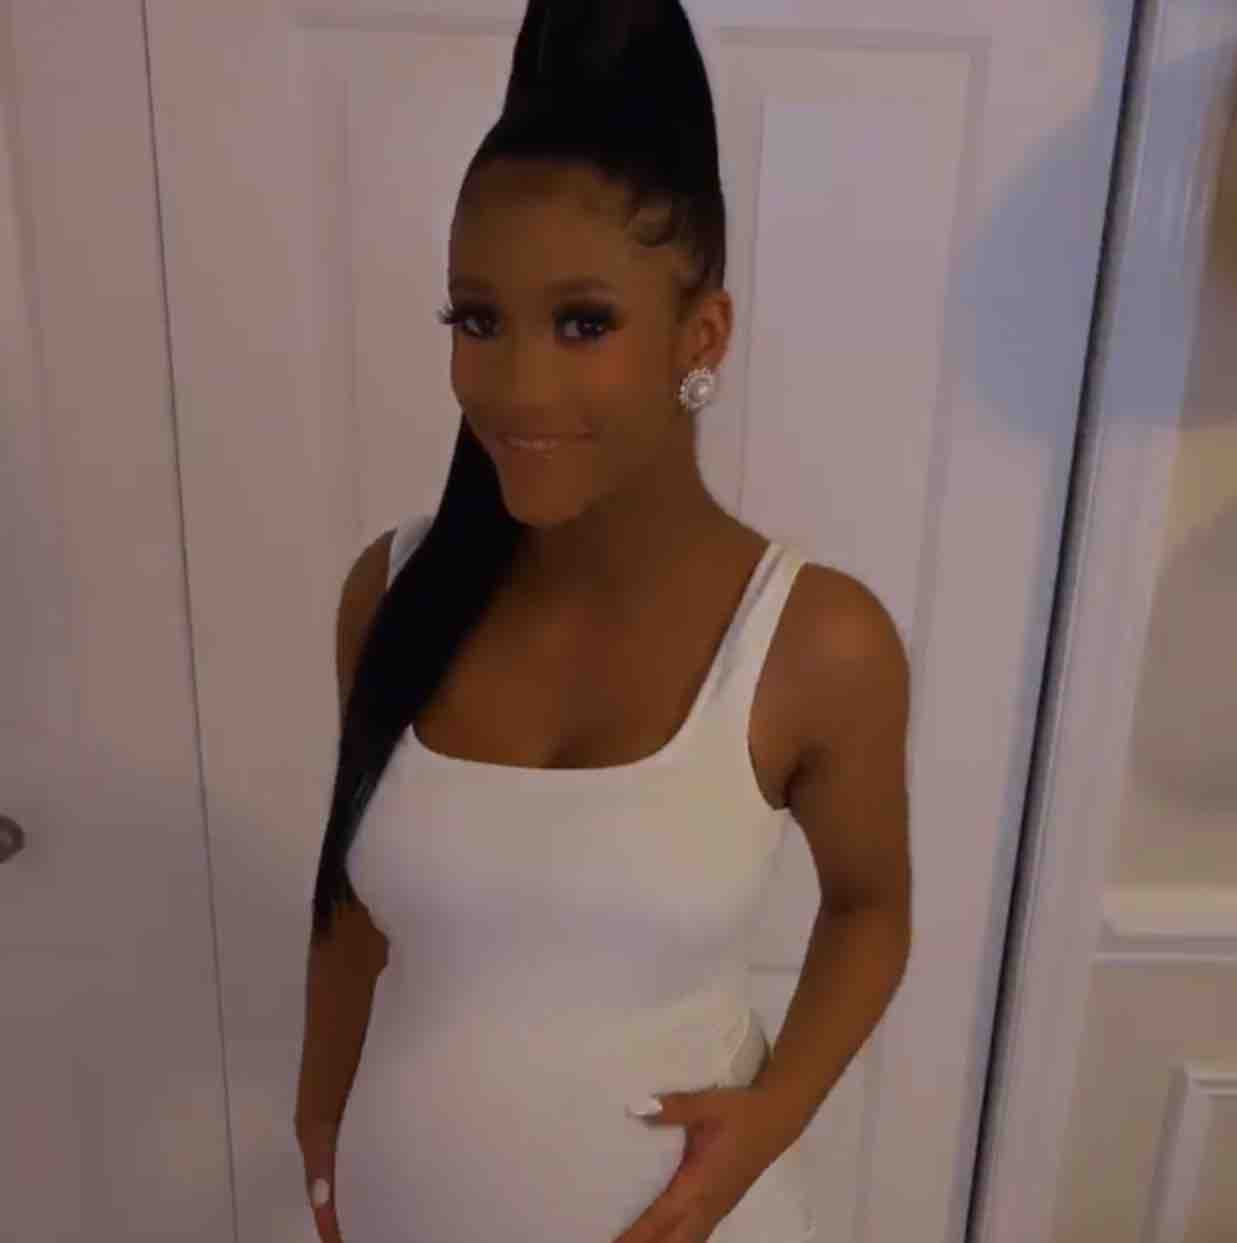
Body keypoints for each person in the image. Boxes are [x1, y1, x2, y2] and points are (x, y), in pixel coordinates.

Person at [294, 2, 912, 1240]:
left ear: (702, 332)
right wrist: (317, 1122)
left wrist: (772, 1116)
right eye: (478, 319)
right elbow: (351, 910)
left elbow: (869, 907)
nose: (517, 386)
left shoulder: (814, 642)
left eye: (584, 323)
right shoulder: (392, 593)